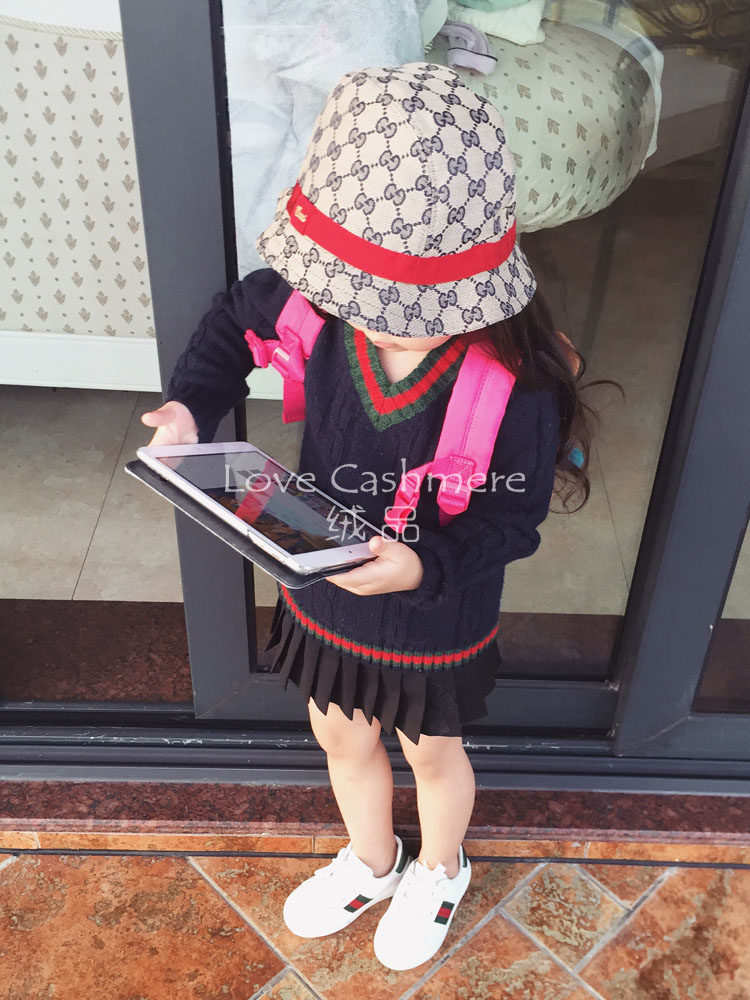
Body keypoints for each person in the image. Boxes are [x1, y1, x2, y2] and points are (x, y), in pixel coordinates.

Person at [141, 62, 596, 971]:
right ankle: (372, 858)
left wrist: (423, 566)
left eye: (410, 311)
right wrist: (192, 406)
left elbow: (513, 523)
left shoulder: (516, 388)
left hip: (436, 615)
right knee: (339, 730)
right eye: (363, 299)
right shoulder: (319, 307)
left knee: (432, 751)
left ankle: (440, 866)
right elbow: (233, 325)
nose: (378, 319)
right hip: (326, 590)